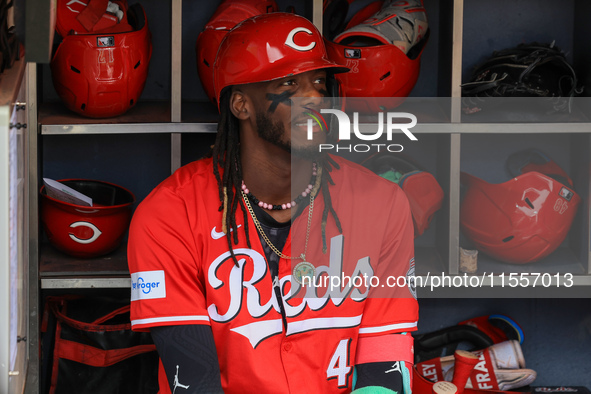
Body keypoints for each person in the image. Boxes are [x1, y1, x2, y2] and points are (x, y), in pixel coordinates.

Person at [128, 12, 418, 394]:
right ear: (241, 105)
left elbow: (385, 359)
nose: (314, 97)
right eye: (289, 84)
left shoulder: (383, 204)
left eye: (318, 82)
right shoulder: (167, 215)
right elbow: (193, 380)